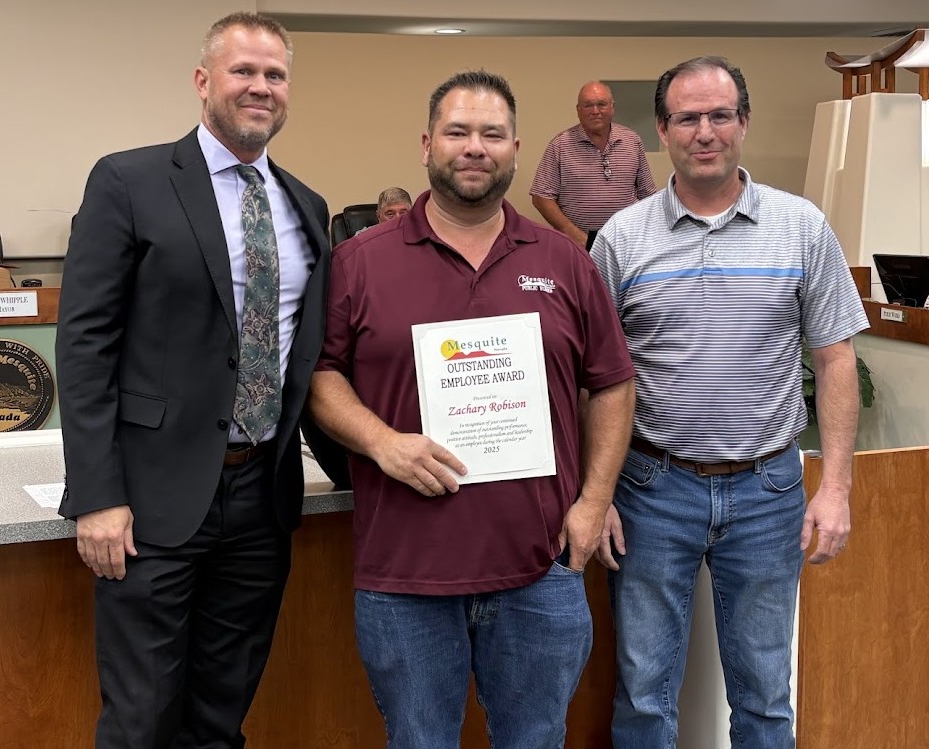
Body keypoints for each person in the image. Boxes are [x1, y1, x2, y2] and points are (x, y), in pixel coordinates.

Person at [308, 70, 636, 749]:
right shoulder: (357, 261)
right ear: (427, 143)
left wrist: (594, 499)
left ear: (516, 148)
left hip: (539, 568)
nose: (474, 147)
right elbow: (320, 375)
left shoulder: (566, 263)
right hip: (404, 573)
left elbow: (611, 382)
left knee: (536, 739)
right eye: (457, 132)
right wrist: (381, 441)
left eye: (491, 134)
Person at [55, 12, 330, 748]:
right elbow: (83, 346)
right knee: (140, 720)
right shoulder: (129, 180)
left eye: (274, 74)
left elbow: (308, 355)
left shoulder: (307, 206)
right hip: (148, 501)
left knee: (220, 716)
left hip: (260, 500)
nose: (260, 87)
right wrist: (98, 495)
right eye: (243, 71)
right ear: (203, 81)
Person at [589, 56, 870, 749]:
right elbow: (589, 377)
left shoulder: (801, 226)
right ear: (661, 130)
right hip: (651, 490)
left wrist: (834, 487)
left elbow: (835, 359)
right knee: (644, 692)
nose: (703, 131)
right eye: (686, 117)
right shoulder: (621, 239)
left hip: (768, 488)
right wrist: (591, 495)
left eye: (719, 115)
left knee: (765, 695)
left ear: (743, 123)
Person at [531, 81, 656, 250]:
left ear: (612, 107)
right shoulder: (560, 145)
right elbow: (541, 198)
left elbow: (648, 195)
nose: (595, 111)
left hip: (627, 244)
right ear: (578, 110)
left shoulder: (632, 141)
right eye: (588, 105)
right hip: (578, 246)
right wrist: (576, 237)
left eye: (601, 104)